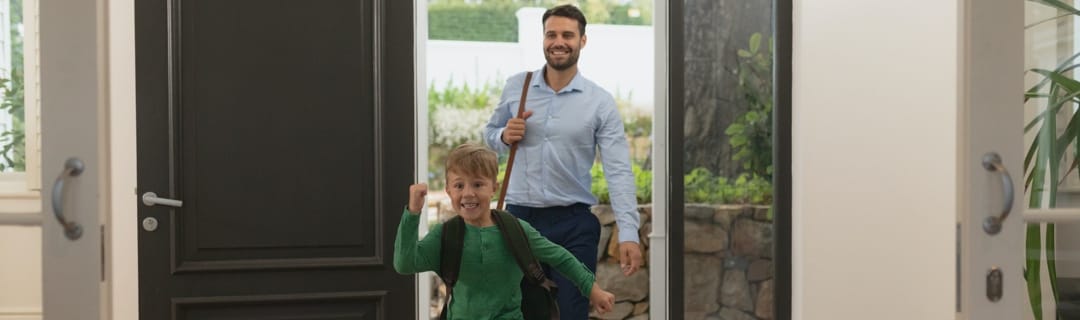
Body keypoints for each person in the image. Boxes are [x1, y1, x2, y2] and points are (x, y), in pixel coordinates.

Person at [483, 4, 644, 319]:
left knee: (571, 312)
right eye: (551, 34)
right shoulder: (518, 86)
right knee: (522, 311)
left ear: (582, 41)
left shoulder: (599, 102)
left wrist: (628, 231)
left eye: (568, 35)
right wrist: (503, 135)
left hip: (574, 225)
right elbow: (488, 138)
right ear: (543, 39)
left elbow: (618, 170)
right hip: (520, 221)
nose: (559, 41)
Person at [393, 143, 615, 319]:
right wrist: (413, 213)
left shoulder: (515, 229)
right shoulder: (444, 235)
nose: (468, 193)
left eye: (478, 184)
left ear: (493, 188)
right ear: (448, 190)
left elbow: (561, 258)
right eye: (459, 185)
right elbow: (405, 263)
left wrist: (593, 291)